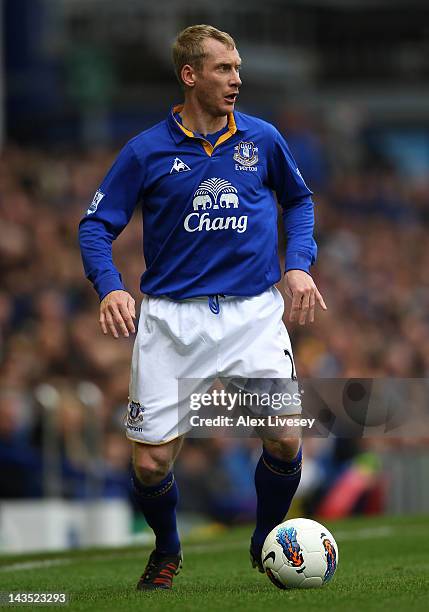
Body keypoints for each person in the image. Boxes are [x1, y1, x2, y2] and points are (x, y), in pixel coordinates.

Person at [79, 24, 326, 591]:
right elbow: (96, 225)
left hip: (252, 312)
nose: (236, 79)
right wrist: (111, 286)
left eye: (237, 68)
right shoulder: (146, 150)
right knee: (150, 463)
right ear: (190, 75)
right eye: (223, 69)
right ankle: (167, 549)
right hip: (172, 320)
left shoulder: (262, 139)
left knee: (286, 437)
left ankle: (267, 540)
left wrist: (299, 265)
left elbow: (299, 200)